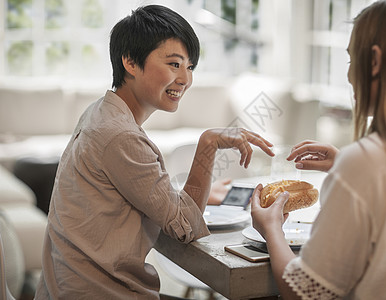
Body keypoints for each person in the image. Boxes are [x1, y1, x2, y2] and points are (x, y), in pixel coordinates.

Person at [35, 5, 274, 299]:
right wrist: (208, 145)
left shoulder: (101, 112)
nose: (185, 79)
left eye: (189, 67)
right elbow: (185, 226)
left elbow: (131, 190)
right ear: (131, 62)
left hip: (66, 285)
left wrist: (182, 193)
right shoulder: (121, 136)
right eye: (174, 64)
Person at [251, 0, 386, 299]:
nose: (348, 76)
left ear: (374, 61)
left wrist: (271, 229)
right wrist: (346, 163)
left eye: (350, 60)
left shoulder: (365, 164)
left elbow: (301, 294)